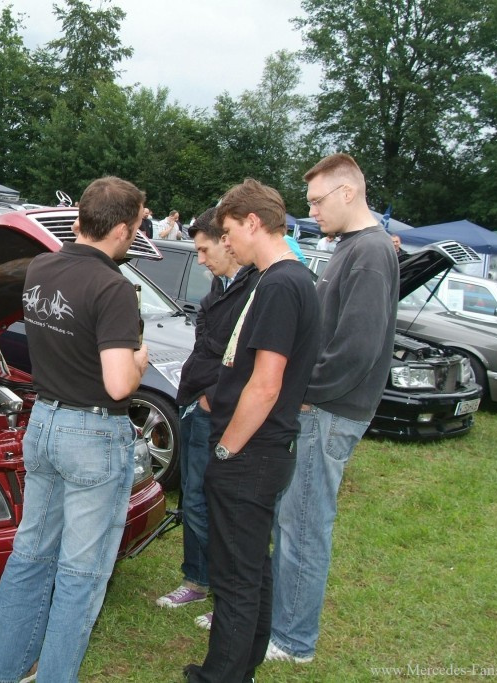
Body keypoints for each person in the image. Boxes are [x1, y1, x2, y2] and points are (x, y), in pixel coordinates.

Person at [0, 176, 149, 683]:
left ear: (80, 219)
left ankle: (5, 672)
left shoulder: (41, 266)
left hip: (45, 422)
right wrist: (140, 360)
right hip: (93, 433)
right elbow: (119, 384)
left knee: (30, 554)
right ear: (121, 230)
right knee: (82, 573)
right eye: (137, 226)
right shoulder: (113, 287)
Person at [183, 178, 320, 683]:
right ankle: (244, 668)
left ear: (253, 223)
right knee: (253, 567)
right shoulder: (283, 279)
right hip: (265, 449)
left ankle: (221, 675)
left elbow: (265, 384)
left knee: (235, 577)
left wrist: (225, 450)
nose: (227, 242)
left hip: (251, 452)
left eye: (229, 231)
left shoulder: (281, 284)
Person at [268, 153, 399, 663]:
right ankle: (281, 623)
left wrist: (307, 392)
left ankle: (293, 641)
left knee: (303, 525)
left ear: (348, 193)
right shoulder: (351, 246)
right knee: (292, 519)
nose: (312, 211)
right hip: (322, 406)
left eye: (317, 201)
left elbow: (357, 347)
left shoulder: (369, 251)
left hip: (328, 410)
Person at [155, 208, 258, 619]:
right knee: (193, 499)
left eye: (204, 250)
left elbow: (251, 358)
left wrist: (212, 398)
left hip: (221, 412)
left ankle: (227, 595)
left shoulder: (257, 288)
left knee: (217, 506)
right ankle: (197, 580)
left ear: (227, 241)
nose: (199, 260)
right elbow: (206, 343)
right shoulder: (221, 286)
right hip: (196, 404)